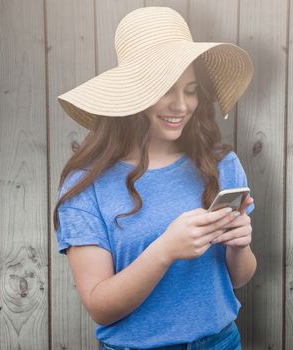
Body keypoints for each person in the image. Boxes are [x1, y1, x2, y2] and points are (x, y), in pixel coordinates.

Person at [53, 7, 256, 350]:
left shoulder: (221, 164)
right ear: (132, 94)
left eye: (191, 90)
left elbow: (239, 278)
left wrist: (241, 246)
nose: (181, 105)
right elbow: (100, 307)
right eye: (166, 88)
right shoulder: (86, 184)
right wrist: (164, 250)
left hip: (221, 342)